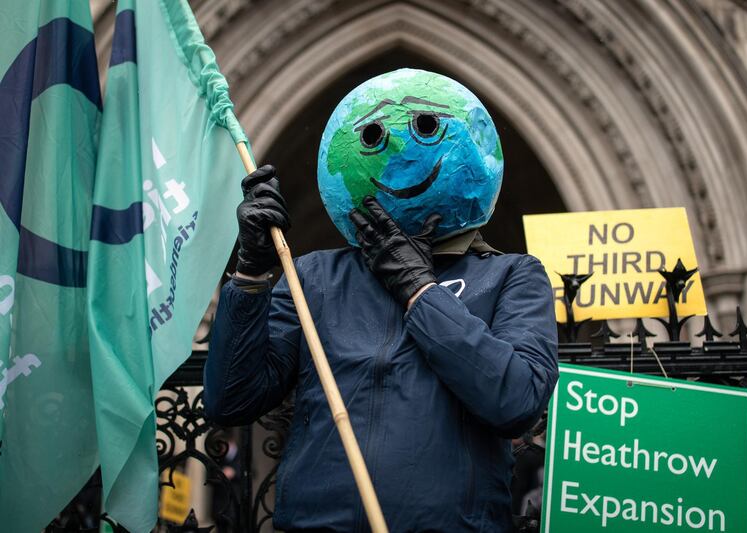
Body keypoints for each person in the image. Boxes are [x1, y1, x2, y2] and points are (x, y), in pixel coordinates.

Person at [204, 69, 558, 532]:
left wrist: (418, 289)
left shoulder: (512, 275)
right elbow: (231, 399)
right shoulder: (314, 276)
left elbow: (516, 399)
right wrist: (250, 270)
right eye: (374, 135)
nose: (396, 149)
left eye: (425, 128)